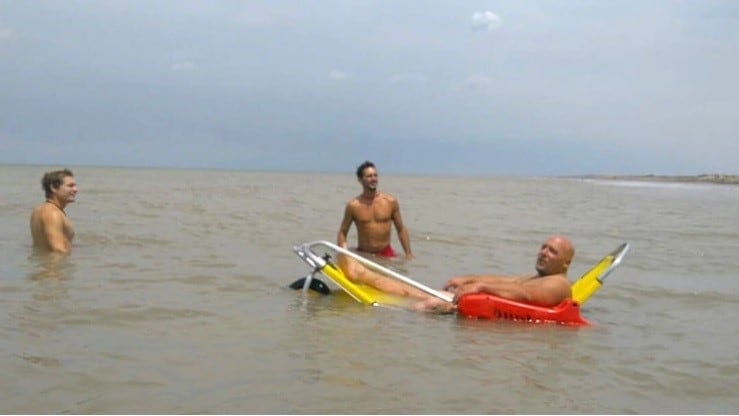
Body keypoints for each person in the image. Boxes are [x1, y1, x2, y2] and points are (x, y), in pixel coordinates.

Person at [339, 235, 575, 313]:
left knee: (420, 301)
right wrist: (470, 280)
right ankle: (361, 274)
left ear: (566, 263)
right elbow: (509, 281)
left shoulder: (558, 284)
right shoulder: (542, 277)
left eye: (552, 251)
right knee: (415, 290)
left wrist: (481, 288)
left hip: (475, 310)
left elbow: (525, 295)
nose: (543, 252)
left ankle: (361, 278)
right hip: (473, 303)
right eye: (543, 247)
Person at [337, 160, 413, 259]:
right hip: (364, 254)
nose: (373, 179)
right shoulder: (353, 206)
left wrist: (408, 253)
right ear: (360, 179)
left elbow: (401, 229)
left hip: (386, 254)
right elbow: (343, 232)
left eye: (375, 175)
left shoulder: (390, 202)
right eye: (369, 176)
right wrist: (343, 253)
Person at [30, 169, 78, 254]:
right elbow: (58, 251)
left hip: (45, 265)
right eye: (70, 186)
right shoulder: (53, 213)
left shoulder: (39, 210)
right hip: (55, 266)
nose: (76, 189)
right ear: (53, 188)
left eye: (75, 186)